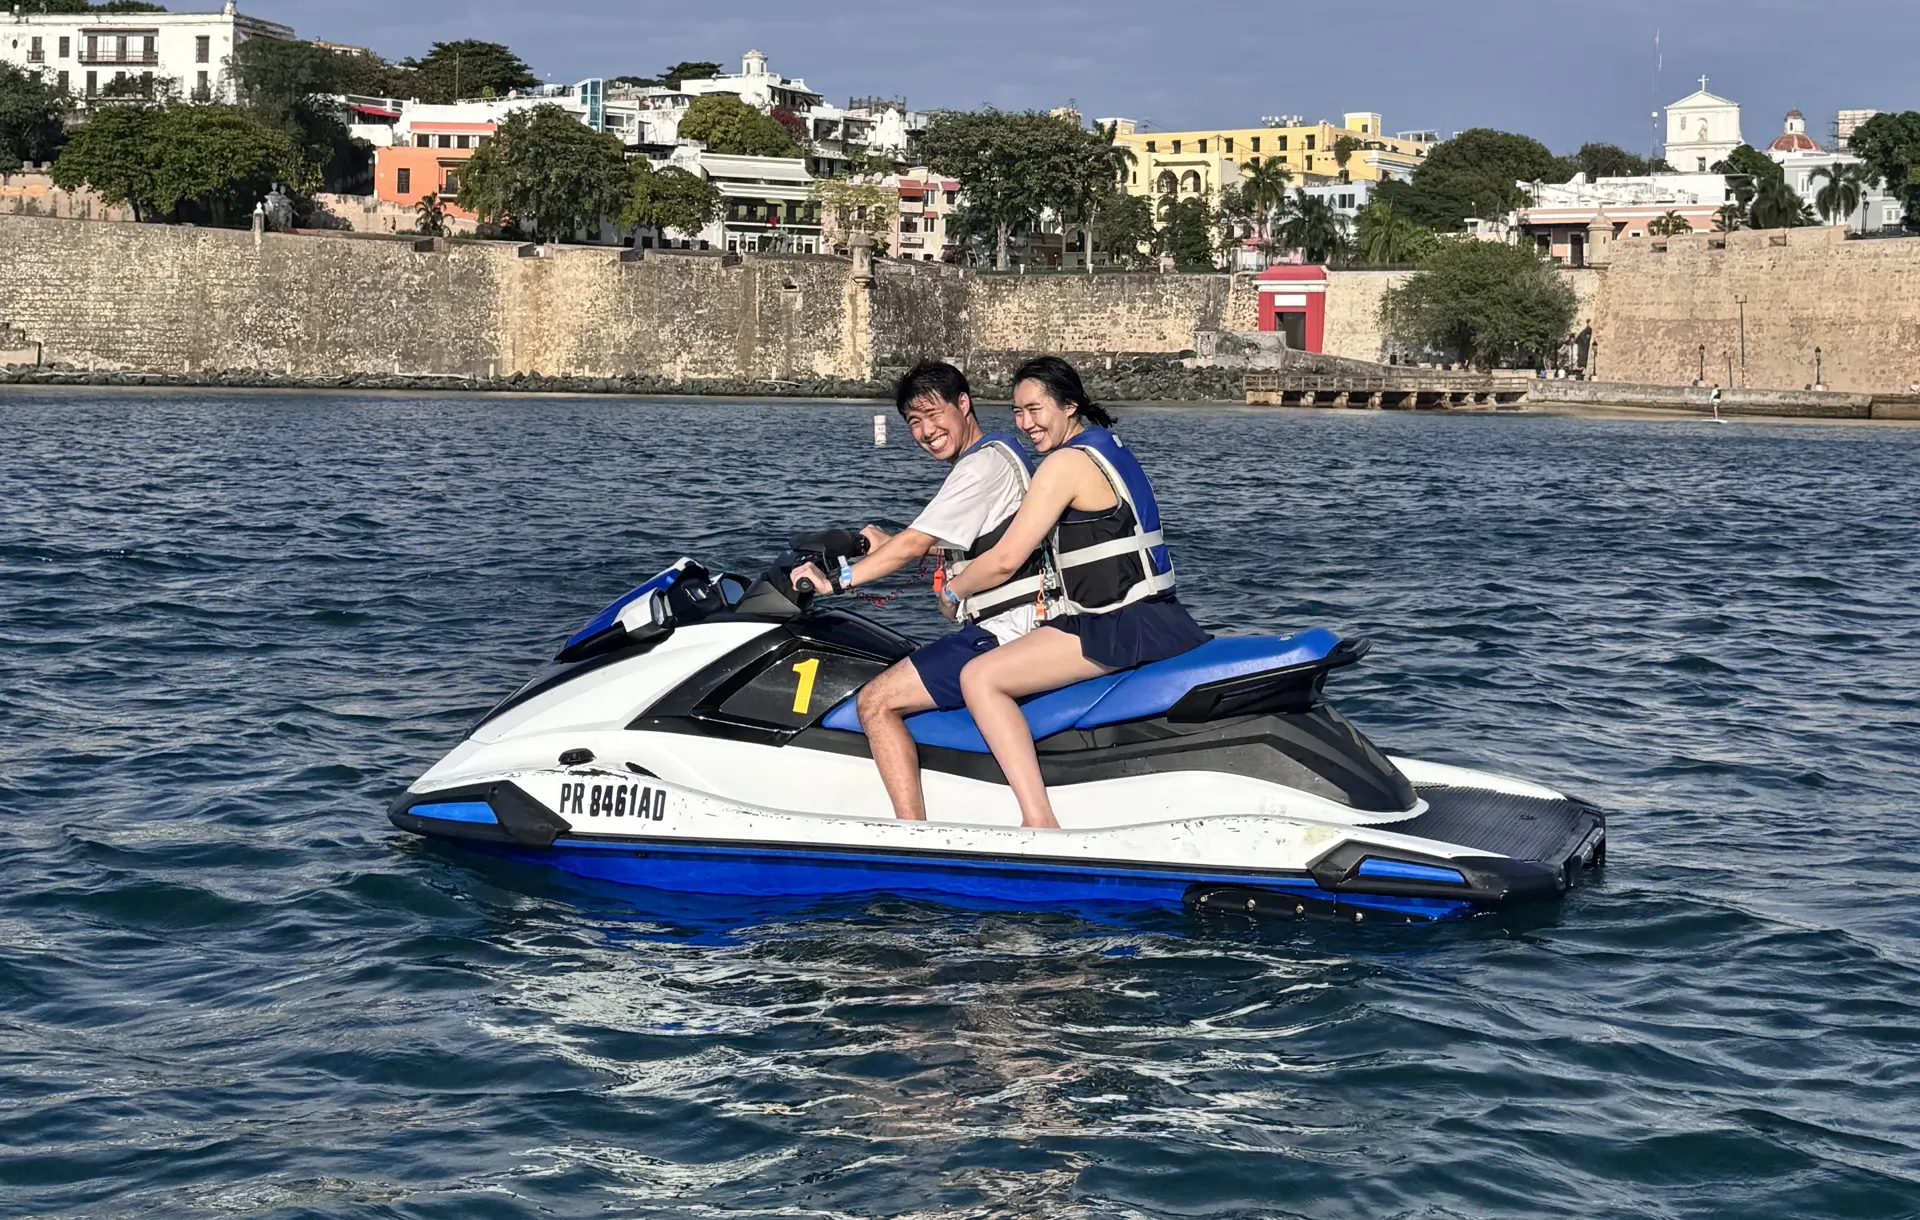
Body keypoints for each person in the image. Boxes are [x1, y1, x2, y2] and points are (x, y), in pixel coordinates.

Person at [941, 356, 1210, 829]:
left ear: (1069, 405)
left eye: (1035, 409)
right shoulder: (1108, 447)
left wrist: (953, 591)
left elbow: (1005, 558)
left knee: (980, 678)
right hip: (1158, 615)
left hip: (1118, 626)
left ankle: (1038, 819)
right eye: (1017, 412)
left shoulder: (1064, 464)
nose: (1025, 423)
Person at [789, 360, 1046, 821]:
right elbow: (965, 541)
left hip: (1005, 632)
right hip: (1020, 622)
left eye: (933, 414)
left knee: (875, 701)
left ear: (963, 404)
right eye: (913, 422)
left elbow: (915, 543)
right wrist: (890, 544)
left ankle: (910, 828)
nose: (926, 431)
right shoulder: (1001, 451)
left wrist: (838, 580)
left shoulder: (980, 467)